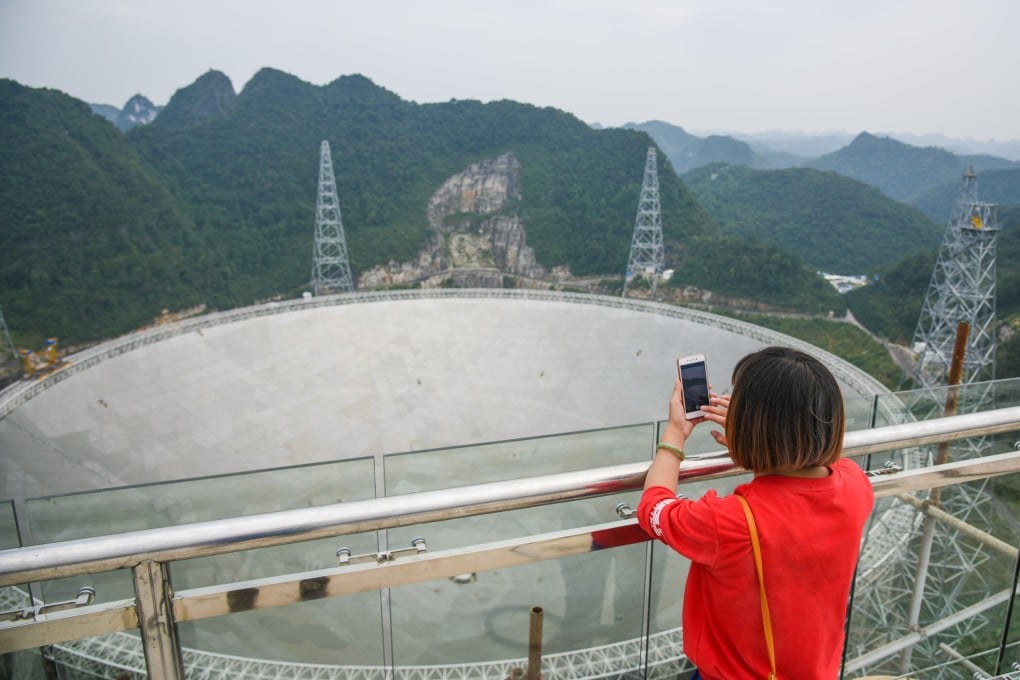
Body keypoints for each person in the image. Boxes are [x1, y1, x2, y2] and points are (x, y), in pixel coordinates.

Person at [637, 346, 874, 679]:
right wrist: (760, 441)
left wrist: (676, 431)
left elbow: (653, 509)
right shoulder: (855, 486)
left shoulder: (730, 523)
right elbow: (813, 467)